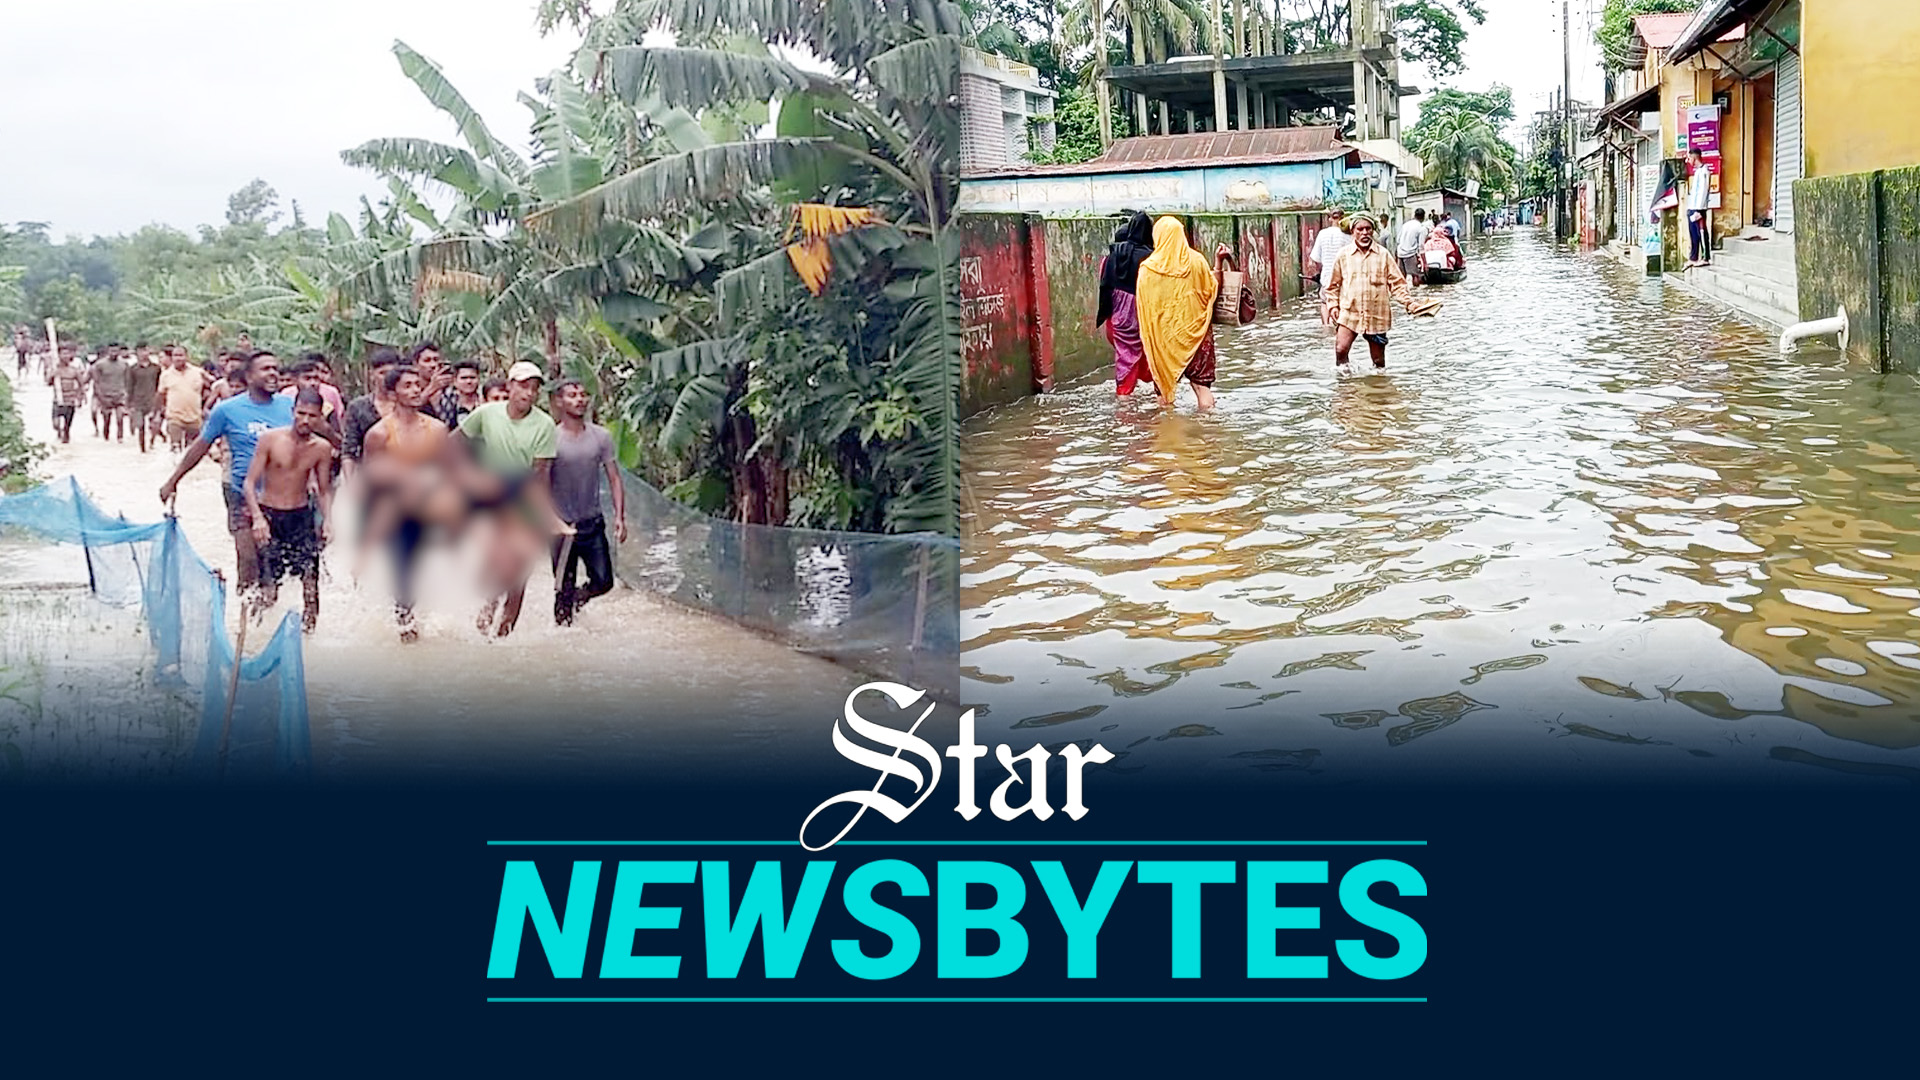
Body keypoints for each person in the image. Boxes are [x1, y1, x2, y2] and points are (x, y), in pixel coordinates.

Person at [158, 351, 293, 592]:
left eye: (275, 368)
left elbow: (314, 442)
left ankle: (269, 608)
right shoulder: (227, 410)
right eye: (265, 369)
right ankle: (245, 611)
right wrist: (173, 480)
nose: (273, 373)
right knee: (248, 560)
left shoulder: (290, 406)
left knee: (275, 564)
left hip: (282, 496)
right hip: (241, 492)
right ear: (249, 377)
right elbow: (201, 446)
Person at [456, 361, 571, 639]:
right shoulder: (487, 414)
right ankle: (487, 613)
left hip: (525, 495)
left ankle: (503, 637)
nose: (528, 393)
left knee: (520, 572)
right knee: (497, 562)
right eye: (523, 386)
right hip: (492, 496)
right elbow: (451, 444)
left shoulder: (544, 424)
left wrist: (546, 515)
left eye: (534, 388)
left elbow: (541, 475)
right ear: (509, 386)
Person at [361, 365, 451, 641]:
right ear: (392, 394)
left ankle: (427, 622)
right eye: (407, 386)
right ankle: (406, 628)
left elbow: (447, 469)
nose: (415, 390)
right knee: (402, 568)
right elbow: (371, 478)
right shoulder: (379, 434)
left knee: (433, 566)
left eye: (417, 385)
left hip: (428, 506)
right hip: (394, 510)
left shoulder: (437, 429)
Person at [242, 387, 335, 632]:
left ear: (320, 417)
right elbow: (249, 483)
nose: (305, 420)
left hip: (301, 518)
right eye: (301, 413)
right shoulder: (270, 439)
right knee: (269, 589)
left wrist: (328, 520)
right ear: (293, 411)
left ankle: (308, 638)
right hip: (270, 516)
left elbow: (324, 490)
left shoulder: (321, 448)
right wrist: (258, 518)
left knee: (310, 587)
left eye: (312, 416)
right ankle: (254, 634)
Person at [548, 379, 627, 625]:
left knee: (604, 581)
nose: (580, 399)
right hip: (561, 527)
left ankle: (577, 599)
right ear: (559, 401)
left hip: (592, 522)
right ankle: (564, 636)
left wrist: (620, 517)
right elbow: (539, 481)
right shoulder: (550, 438)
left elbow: (614, 478)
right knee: (563, 587)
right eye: (572, 395)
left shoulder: (601, 436)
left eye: (583, 395)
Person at [1324, 215, 1440, 373]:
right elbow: (1332, 285)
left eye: (1368, 229)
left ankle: (1378, 385)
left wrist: (1409, 303)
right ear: (1353, 232)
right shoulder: (1343, 255)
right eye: (1360, 229)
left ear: (1373, 231)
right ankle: (1345, 383)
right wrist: (1333, 306)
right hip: (1349, 312)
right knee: (1340, 350)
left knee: (1378, 362)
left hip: (1376, 314)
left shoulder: (1383, 255)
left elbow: (1397, 284)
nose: (1364, 233)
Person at [1135, 216, 1220, 411]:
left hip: (1164, 340)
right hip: (1197, 335)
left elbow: (1145, 309)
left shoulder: (1148, 269)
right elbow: (1211, 292)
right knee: (1202, 388)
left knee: (1164, 393)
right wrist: (1218, 263)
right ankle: (1209, 427)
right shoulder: (1197, 261)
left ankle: (1169, 428)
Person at [1096, 212, 1157, 397]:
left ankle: (1124, 397)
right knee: (1152, 352)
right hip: (1143, 312)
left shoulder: (1113, 255)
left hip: (1118, 314)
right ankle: (1161, 397)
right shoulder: (1152, 257)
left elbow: (1105, 284)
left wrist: (1106, 312)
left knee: (1125, 355)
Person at [341, 347, 401, 478]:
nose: (387, 378)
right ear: (372, 374)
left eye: (391, 373)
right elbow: (349, 451)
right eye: (382, 373)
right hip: (368, 473)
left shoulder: (407, 405)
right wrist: (349, 482)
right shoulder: (358, 407)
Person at [157, 344, 209, 452]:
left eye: (181, 355)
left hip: (194, 417)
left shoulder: (198, 372)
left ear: (187, 357)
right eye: (175, 355)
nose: (178, 358)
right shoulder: (166, 375)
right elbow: (160, 394)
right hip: (174, 416)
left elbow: (212, 386)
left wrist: (206, 405)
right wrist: (157, 414)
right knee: (175, 446)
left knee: (192, 448)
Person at [1304, 216, 1354, 325]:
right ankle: (1339, 325)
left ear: (1330, 218)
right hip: (1344, 276)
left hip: (1327, 275)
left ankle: (1326, 326)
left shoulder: (1322, 234)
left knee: (1325, 302)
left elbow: (1315, 258)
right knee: (1343, 303)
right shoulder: (1349, 234)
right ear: (1343, 218)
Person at [47, 343, 87, 444]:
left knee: (67, 426)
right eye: (63, 354)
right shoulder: (55, 370)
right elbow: (48, 383)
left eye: (67, 354)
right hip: (58, 400)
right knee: (55, 424)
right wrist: (52, 375)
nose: (66, 356)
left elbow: (81, 385)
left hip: (70, 400)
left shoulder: (74, 370)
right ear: (59, 355)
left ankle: (65, 434)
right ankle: (59, 432)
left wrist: (81, 397)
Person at [126, 344, 163, 453]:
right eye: (141, 351)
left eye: (145, 350)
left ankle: (152, 441)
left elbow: (160, 385)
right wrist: (129, 403)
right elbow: (130, 386)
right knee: (140, 425)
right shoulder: (133, 369)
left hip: (153, 400)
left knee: (154, 425)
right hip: (138, 401)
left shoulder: (156, 368)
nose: (143, 353)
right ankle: (142, 448)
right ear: (137, 353)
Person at [91, 344, 133, 440]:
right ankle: (106, 434)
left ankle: (120, 436)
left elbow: (128, 380)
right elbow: (96, 381)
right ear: (108, 351)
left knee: (120, 417)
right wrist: (100, 395)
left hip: (120, 395)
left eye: (116, 351)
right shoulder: (100, 365)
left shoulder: (124, 364)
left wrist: (127, 395)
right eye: (112, 351)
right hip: (106, 395)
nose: (114, 353)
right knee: (106, 417)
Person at [431, 359, 484, 427]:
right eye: (464, 378)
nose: (468, 381)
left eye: (472, 378)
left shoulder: (485, 401)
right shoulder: (446, 402)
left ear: (478, 379)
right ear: (455, 381)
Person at [1686, 149, 1713, 267]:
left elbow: (1703, 191)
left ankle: (1705, 257)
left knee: (1701, 232)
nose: (1688, 161)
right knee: (1693, 233)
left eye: (1689, 158)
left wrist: (1698, 209)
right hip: (1693, 207)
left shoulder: (1704, 172)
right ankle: (1693, 257)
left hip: (1699, 208)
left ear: (1694, 158)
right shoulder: (1697, 172)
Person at [1396, 208, 1432, 283]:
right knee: (1415, 275)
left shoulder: (1405, 225)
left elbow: (1398, 240)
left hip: (1400, 253)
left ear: (1414, 215)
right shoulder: (1421, 228)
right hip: (1411, 254)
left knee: (1402, 276)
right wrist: (1425, 263)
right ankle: (1416, 290)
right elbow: (1421, 247)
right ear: (1423, 217)